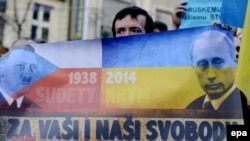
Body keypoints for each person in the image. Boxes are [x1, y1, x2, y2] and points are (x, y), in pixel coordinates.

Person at [186, 30, 242, 111]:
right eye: (202, 65)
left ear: (234, 61)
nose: (211, 75)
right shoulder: (191, 109)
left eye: (218, 63)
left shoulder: (245, 102)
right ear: (193, 68)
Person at [0, 45, 40, 110]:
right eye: (20, 66)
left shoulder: (37, 110)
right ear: (2, 68)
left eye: (33, 67)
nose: (28, 74)